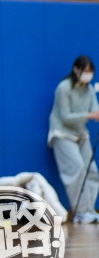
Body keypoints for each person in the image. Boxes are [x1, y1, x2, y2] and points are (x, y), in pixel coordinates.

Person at [47, 55, 99, 223]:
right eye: (85, 70)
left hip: (81, 134)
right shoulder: (64, 88)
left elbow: (95, 110)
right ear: (76, 69)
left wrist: (95, 114)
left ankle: (89, 210)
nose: (88, 74)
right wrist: (89, 115)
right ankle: (80, 212)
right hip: (62, 134)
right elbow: (65, 116)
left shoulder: (89, 90)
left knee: (92, 171)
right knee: (76, 168)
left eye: (90, 71)